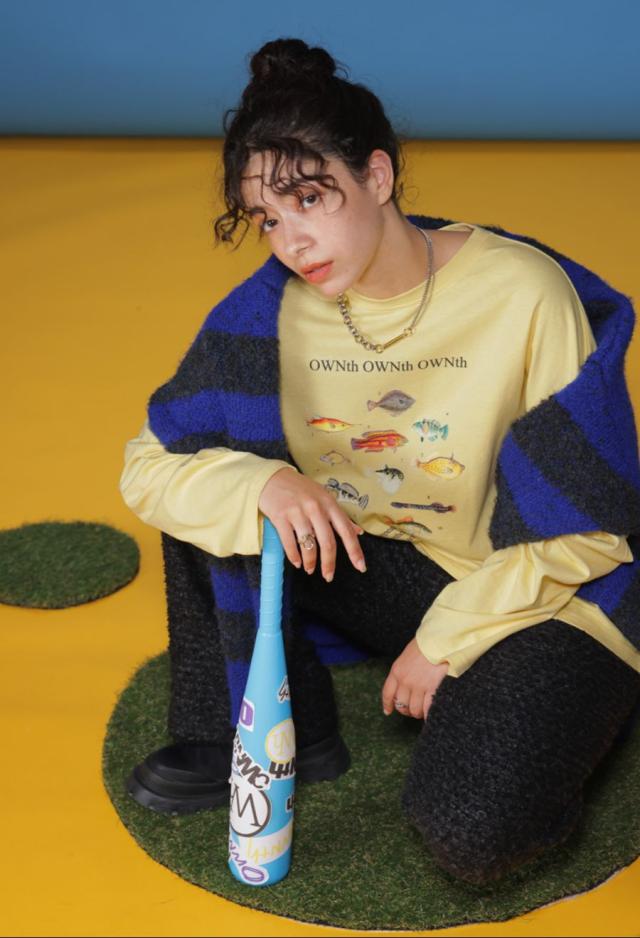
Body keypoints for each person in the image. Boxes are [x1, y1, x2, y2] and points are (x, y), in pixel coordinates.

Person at [119, 37, 640, 885]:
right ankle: (252, 726)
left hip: (539, 589)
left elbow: (586, 531)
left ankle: (579, 702)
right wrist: (263, 480)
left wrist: (445, 641)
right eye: (269, 218)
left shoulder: (523, 293)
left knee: (473, 835)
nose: (292, 241)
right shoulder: (264, 315)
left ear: (378, 176)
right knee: (219, 484)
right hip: (384, 568)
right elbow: (151, 463)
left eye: (310, 198)